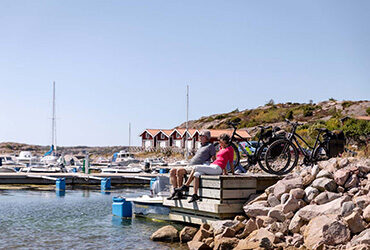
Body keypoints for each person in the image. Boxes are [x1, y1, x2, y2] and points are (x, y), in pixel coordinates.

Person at [176, 133, 235, 203]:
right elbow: (222, 159)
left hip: (217, 169)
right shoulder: (221, 148)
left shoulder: (230, 149)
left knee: (195, 167)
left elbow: (230, 161)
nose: (219, 143)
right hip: (212, 166)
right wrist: (225, 171)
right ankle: (195, 195)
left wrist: (233, 173)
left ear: (225, 141)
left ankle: (186, 186)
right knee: (196, 174)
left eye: (220, 142)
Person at [167, 130, 216, 200]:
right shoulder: (201, 146)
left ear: (206, 137)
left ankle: (180, 193)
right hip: (189, 166)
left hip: (196, 167)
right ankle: (175, 191)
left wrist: (215, 168)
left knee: (179, 171)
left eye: (202, 136)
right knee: (172, 171)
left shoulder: (210, 146)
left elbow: (214, 158)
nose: (200, 137)